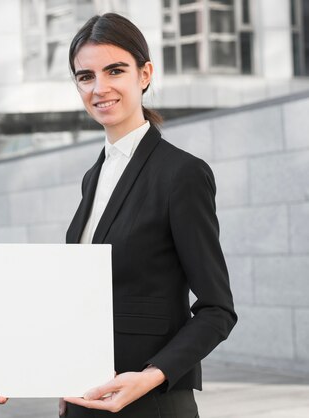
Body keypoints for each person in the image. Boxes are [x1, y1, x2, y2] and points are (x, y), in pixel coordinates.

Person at [62, 13, 237, 417]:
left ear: (145, 74)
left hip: (151, 403)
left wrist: (152, 374)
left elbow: (217, 309)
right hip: (86, 400)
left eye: (115, 70)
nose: (99, 88)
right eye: (85, 76)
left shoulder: (181, 173)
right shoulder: (93, 177)